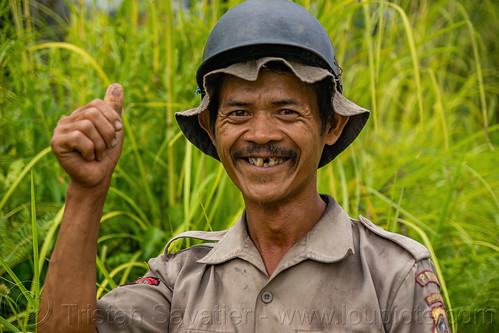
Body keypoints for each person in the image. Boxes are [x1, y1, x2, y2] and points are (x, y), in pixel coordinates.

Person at [39, 0, 451, 332]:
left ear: (332, 125)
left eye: (287, 111)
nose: (260, 134)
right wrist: (86, 193)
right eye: (237, 113)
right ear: (210, 127)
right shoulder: (180, 281)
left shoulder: (393, 274)